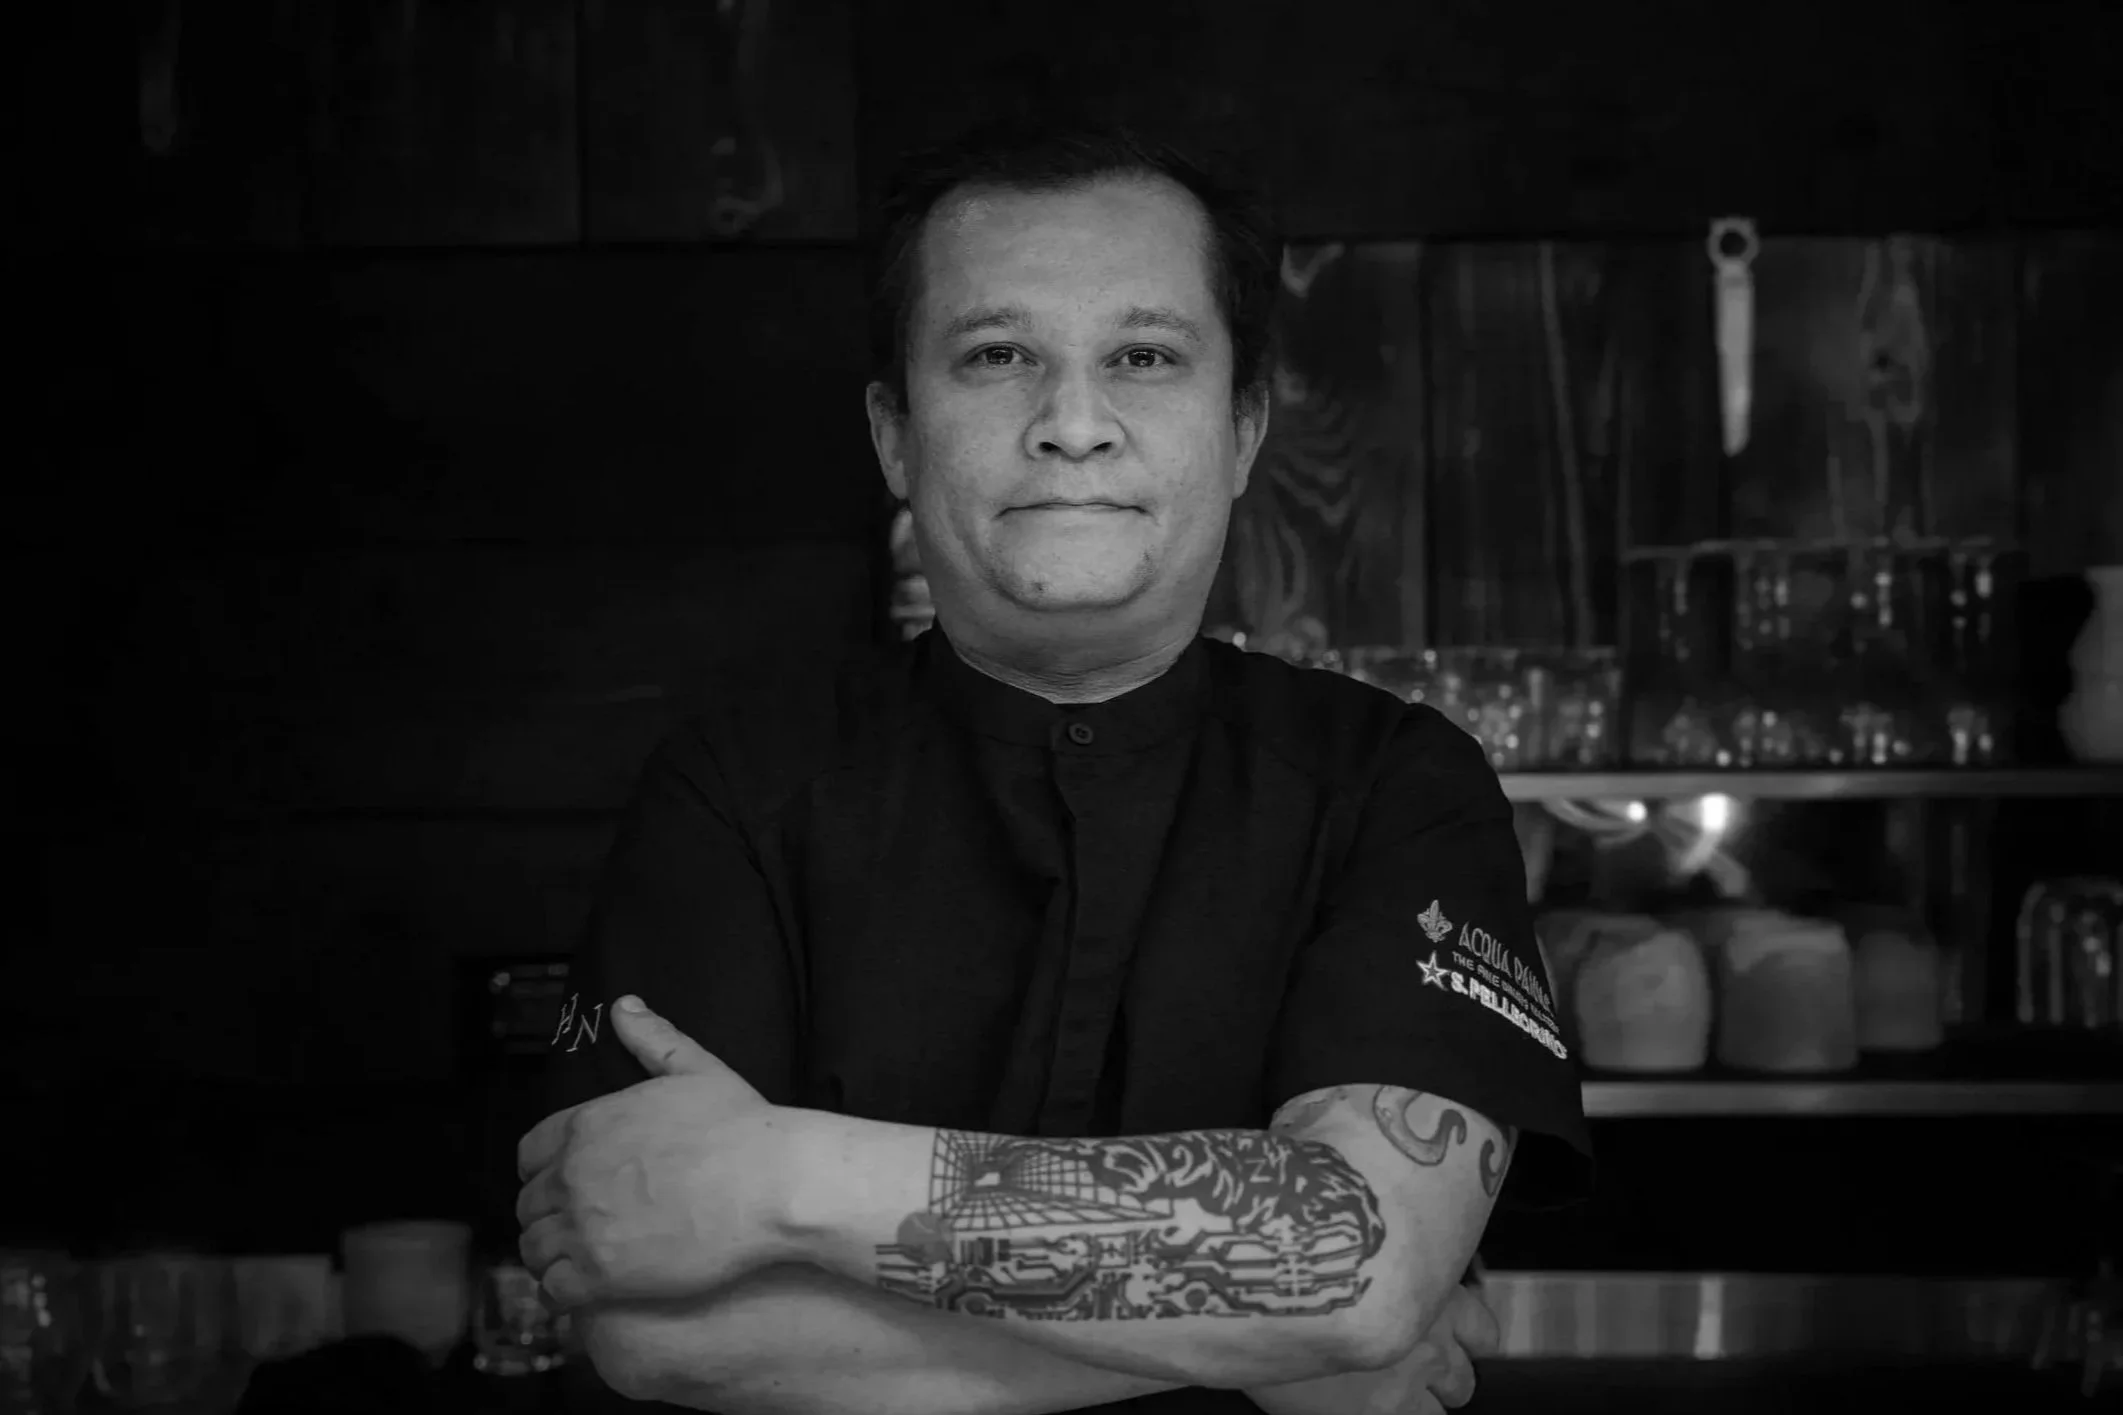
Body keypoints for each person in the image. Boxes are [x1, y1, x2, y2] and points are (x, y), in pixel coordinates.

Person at [515, 115, 1592, 1414]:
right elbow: (651, 1331)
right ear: (895, 436)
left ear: (1245, 427)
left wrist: (775, 1179)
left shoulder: (1397, 785)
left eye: (1143, 356)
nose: (1072, 424)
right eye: (996, 355)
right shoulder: (733, 787)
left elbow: (1355, 1264)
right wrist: (1280, 1348)